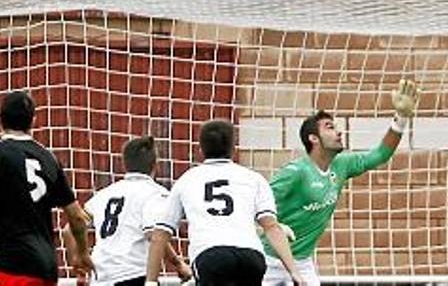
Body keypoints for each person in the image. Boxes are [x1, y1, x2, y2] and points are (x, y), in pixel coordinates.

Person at [262, 79, 420, 286]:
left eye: (336, 127)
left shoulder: (342, 165)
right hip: (269, 261)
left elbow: (381, 154)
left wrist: (401, 118)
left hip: (302, 262)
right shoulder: (295, 172)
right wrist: (273, 226)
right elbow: (256, 203)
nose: (339, 132)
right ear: (313, 138)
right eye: (329, 127)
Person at [146, 119, 302, 286]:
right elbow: (271, 227)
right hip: (251, 256)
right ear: (234, 148)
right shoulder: (253, 178)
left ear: (200, 150)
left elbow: (160, 234)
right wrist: (294, 271)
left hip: (211, 255)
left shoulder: (188, 179)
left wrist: (151, 281)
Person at [61, 136, 192, 286]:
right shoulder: (155, 193)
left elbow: (68, 231)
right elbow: (155, 234)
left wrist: (77, 261)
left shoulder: (105, 194)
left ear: (124, 164)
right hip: (131, 274)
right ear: (155, 165)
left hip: (100, 277)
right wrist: (178, 263)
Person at [0, 90, 93, 284]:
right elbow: (77, 217)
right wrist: (82, 253)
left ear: (2, 120)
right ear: (33, 120)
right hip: (45, 266)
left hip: (10, 265)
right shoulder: (49, 158)